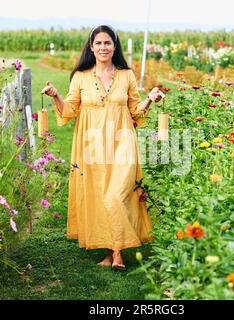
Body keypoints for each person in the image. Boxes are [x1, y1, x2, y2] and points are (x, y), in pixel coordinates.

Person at [41, 25, 165, 270]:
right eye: (98, 43)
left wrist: (150, 98)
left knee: (116, 196)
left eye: (107, 43)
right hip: (91, 145)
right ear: (91, 47)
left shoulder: (127, 75)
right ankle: (110, 253)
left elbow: (135, 112)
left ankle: (117, 253)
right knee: (100, 197)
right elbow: (69, 111)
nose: (103, 47)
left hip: (122, 142)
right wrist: (56, 95)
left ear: (115, 46)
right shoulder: (81, 77)